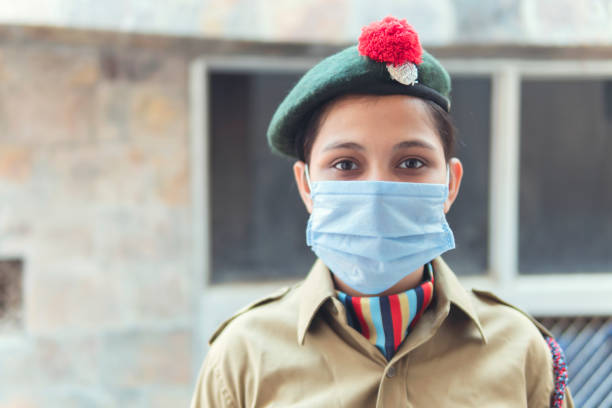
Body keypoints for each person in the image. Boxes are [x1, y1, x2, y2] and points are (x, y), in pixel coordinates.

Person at [190, 16, 573, 407]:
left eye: (411, 163)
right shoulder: (241, 358)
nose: (375, 193)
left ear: (450, 184)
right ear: (307, 185)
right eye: (345, 164)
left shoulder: (522, 351)